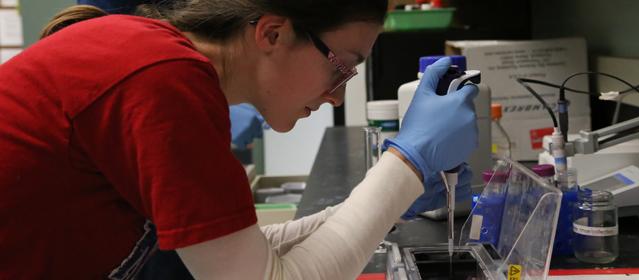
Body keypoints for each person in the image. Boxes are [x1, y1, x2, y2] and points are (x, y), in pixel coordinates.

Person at [0, 1, 478, 279]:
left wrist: (385, 205)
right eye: (342, 66)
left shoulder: (159, 57)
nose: (337, 95)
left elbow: (240, 252)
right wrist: (408, 162)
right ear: (272, 32)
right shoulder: (162, 79)